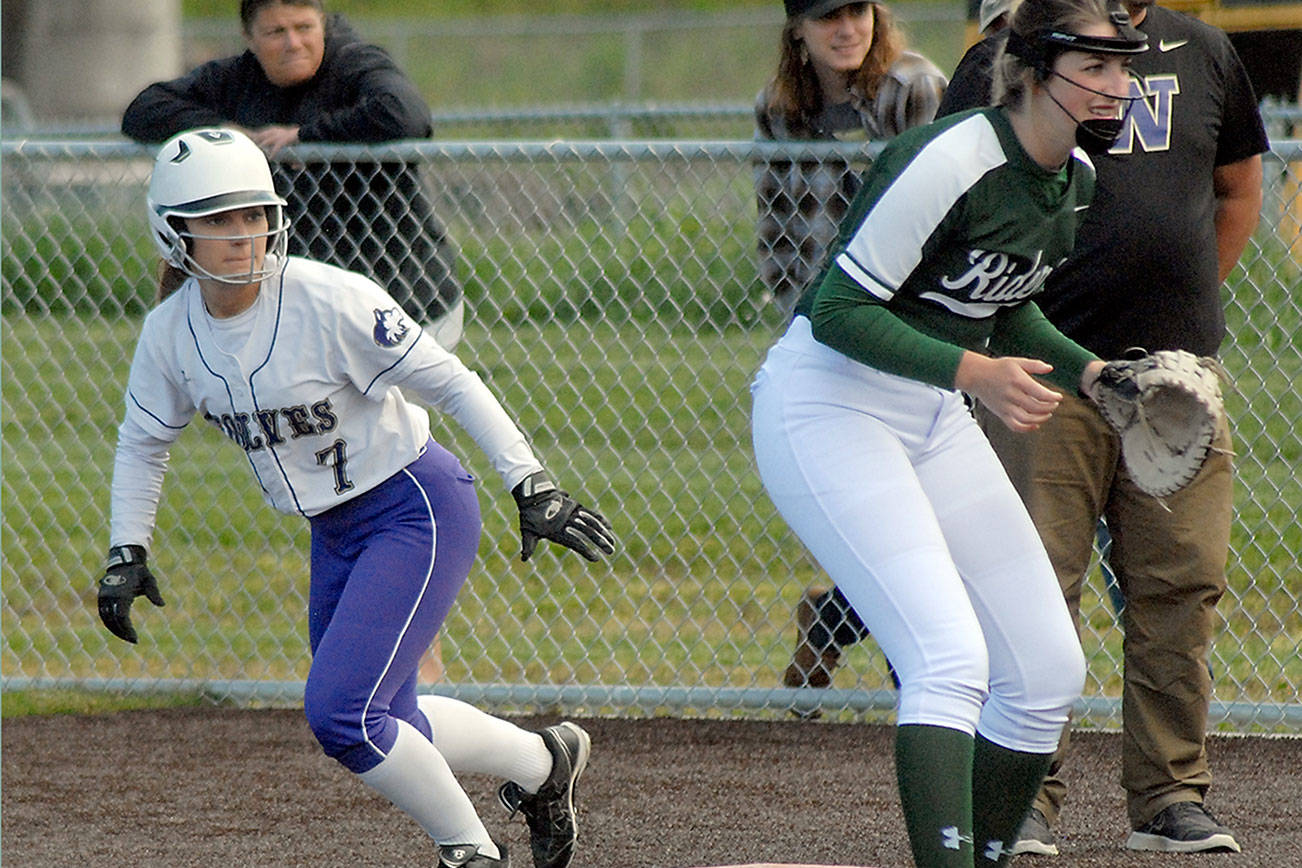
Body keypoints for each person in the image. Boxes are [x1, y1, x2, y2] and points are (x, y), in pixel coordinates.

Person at [95, 128, 618, 868]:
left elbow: (452, 381)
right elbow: (143, 443)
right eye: (217, 219)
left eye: (251, 213)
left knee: (342, 713)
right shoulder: (171, 334)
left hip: (415, 508)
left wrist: (530, 481)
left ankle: (469, 851)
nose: (242, 234)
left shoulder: (327, 297)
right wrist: (128, 547)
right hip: (336, 529)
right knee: (386, 712)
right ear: (172, 232)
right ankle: (543, 764)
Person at [749, 0, 1148, 862]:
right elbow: (839, 311)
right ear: (1038, 67)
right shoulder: (953, 155)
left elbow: (1000, 304)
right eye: (1099, 66)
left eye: (1125, 67)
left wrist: (1091, 372)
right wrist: (976, 375)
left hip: (927, 411)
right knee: (949, 657)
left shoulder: (1072, 175)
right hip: (830, 403)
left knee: (1047, 671)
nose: (1121, 84)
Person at [966, 0, 1268, 856]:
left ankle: (1170, 795)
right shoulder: (1016, 48)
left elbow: (1239, 187)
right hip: (1040, 378)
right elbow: (963, 200)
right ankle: (1022, 795)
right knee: (1032, 589)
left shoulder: (1205, 51)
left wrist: (1184, 313)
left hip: (1174, 383)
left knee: (1181, 588)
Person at [121, 0, 465, 349]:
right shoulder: (237, 78)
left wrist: (306, 137)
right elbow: (143, 110)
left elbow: (406, 114)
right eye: (276, 32)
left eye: (304, 28)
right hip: (308, 308)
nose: (293, 43)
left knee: (390, 403)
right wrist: (225, 131)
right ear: (249, 37)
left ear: (323, 24)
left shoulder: (355, 63)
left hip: (405, 294)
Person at [754, 0, 948, 313]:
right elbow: (774, 224)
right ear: (798, 28)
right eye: (829, 17)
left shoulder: (913, 88)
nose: (847, 31)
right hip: (818, 310)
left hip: (908, 311)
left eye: (858, 12)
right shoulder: (778, 106)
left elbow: (948, 213)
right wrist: (799, 309)